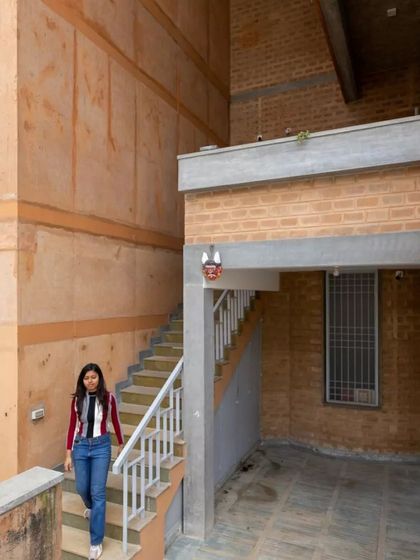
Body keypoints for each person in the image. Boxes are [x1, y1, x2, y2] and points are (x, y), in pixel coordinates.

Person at [64, 363, 124, 560]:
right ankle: (93, 509)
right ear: (82, 380)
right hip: (81, 446)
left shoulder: (108, 398)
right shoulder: (77, 400)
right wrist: (68, 453)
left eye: (93, 377)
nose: (90, 381)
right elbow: (73, 426)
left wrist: (121, 443)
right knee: (82, 487)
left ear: (99, 378)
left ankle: (96, 542)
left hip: (101, 447)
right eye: (86, 378)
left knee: (98, 492)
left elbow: (115, 420)